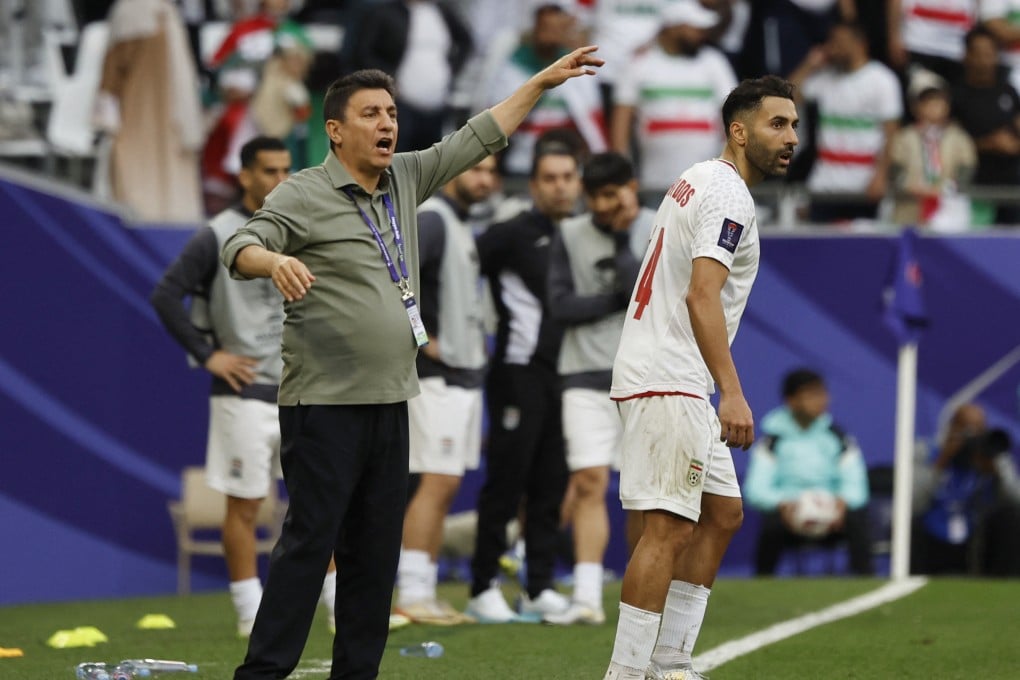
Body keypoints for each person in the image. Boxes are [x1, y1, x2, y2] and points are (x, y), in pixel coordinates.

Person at [219, 45, 604, 679]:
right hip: (323, 405)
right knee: (311, 546)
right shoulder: (303, 192)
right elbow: (242, 244)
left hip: (392, 399)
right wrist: (276, 261)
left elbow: (481, 134)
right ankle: (261, 674)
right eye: (371, 113)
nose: (387, 123)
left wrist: (539, 83)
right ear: (336, 130)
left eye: (392, 112)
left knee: (375, 553)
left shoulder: (404, 177)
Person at [603, 75, 799, 680]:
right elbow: (702, 294)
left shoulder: (697, 178)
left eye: (794, 124)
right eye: (777, 124)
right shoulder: (729, 196)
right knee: (665, 528)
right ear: (738, 131)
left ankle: (670, 662)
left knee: (722, 515)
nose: (791, 137)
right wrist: (733, 391)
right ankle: (628, 672)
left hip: (660, 370)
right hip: (671, 377)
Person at [150, 136, 338, 636]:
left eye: (285, 170)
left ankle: (340, 606)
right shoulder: (217, 234)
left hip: (305, 388)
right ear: (245, 176)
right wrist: (208, 354)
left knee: (322, 502)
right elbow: (166, 295)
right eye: (269, 171)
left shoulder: (302, 224)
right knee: (246, 505)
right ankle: (248, 612)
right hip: (246, 393)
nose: (279, 179)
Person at [465, 143, 583, 624]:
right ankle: (482, 585)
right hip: (516, 373)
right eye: (549, 178)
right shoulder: (509, 235)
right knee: (506, 483)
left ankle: (538, 586)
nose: (560, 186)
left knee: (551, 484)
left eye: (567, 176)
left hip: (565, 376)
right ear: (534, 186)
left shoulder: (584, 237)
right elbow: (453, 267)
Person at [543, 151, 654, 626]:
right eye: (596, 198)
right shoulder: (569, 234)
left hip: (646, 377)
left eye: (613, 194)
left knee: (642, 492)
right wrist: (614, 298)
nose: (604, 206)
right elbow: (560, 304)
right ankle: (587, 597)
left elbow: (660, 295)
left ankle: (641, 598)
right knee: (588, 483)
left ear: (632, 187)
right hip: (584, 375)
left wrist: (627, 243)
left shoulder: (658, 225)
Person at [394, 155, 500, 625]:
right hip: (435, 378)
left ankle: (425, 589)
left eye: (492, 172)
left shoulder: (458, 224)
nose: (485, 179)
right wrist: (421, 337)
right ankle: (412, 591)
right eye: (476, 168)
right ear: (453, 170)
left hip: (463, 375)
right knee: (434, 482)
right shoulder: (433, 219)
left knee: (445, 483)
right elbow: (393, 280)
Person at [743, 369, 872, 576]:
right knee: (770, 526)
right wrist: (783, 503)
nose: (822, 400)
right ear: (791, 401)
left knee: (857, 519)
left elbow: (856, 485)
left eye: (822, 393)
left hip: (833, 515)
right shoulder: (772, 441)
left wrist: (841, 502)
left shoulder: (838, 438)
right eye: (812, 394)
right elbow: (756, 489)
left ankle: (868, 583)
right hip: (789, 515)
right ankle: (762, 584)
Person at [94, 0, 204, 222]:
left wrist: (102, 121)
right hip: (172, 122)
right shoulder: (167, 13)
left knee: (133, 192)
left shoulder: (128, 13)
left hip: (134, 118)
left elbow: (111, 77)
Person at [611, 1, 736, 194]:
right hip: (654, 184)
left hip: (709, 184)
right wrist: (623, 174)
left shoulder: (714, 62)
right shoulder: (639, 64)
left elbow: (734, 113)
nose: (702, 34)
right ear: (673, 27)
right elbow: (621, 122)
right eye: (695, 28)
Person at [788, 21, 902, 224]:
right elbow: (787, 99)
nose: (832, 47)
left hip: (863, 185)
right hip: (825, 184)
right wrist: (809, 65)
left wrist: (881, 175)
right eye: (831, 42)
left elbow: (891, 133)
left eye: (839, 42)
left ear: (859, 44)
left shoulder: (882, 80)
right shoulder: (825, 78)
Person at [485, 2, 607, 176]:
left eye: (555, 28)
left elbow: (591, 125)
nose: (549, 35)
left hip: (565, 162)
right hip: (520, 163)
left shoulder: (577, 66)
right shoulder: (513, 67)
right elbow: (497, 121)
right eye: (545, 28)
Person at [349, 0, 474, 152]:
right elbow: (363, 53)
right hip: (400, 102)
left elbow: (466, 42)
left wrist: (450, 70)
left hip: (438, 101)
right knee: (398, 156)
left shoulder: (443, 11)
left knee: (431, 160)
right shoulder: (386, 12)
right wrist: (388, 80)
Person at [912, 403, 1020, 576]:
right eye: (967, 430)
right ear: (952, 427)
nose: (973, 437)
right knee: (911, 525)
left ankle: (1003, 583)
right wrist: (941, 462)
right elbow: (911, 503)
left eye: (979, 430)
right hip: (933, 533)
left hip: (977, 534)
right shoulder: (926, 451)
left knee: (1011, 517)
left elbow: (1016, 499)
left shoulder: (992, 453)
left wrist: (996, 472)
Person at [950, 25, 1020, 226]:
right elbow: (949, 144)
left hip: (1010, 186)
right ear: (966, 55)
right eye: (978, 53)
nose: (984, 60)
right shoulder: (956, 96)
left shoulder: (1009, 91)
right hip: (973, 186)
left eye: (989, 53)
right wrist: (988, 144)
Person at [889, 70, 976, 229]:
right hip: (910, 204)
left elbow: (966, 168)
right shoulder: (904, 137)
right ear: (915, 107)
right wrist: (909, 186)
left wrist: (946, 188)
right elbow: (895, 168)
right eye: (927, 102)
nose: (934, 107)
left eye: (939, 101)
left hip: (948, 206)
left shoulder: (958, 137)